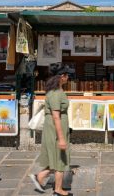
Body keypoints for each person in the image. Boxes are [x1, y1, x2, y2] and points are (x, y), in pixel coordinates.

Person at [29, 63, 72, 196]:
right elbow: (56, 117)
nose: (68, 77)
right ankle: (58, 190)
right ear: (61, 77)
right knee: (60, 159)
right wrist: (61, 138)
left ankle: (40, 176)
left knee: (57, 157)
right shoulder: (55, 94)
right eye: (66, 75)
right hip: (55, 130)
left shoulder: (57, 91)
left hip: (56, 128)